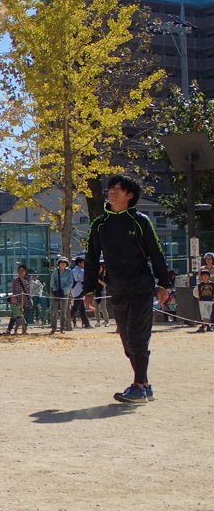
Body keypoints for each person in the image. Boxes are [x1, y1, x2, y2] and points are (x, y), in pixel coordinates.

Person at [83, 173, 172, 403]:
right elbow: (91, 259)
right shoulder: (99, 224)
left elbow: (156, 253)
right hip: (116, 289)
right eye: (111, 187)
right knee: (127, 342)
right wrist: (89, 290)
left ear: (130, 195)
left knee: (137, 338)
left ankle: (139, 387)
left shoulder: (140, 221)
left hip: (141, 287)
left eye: (118, 189)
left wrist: (164, 284)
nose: (112, 191)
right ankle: (145, 385)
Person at [6, 264, 32, 335]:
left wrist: (22, 279)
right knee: (14, 316)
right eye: (20, 271)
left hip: (25, 300)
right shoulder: (15, 280)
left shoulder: (28, 279)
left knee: (25, 316)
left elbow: (27, 286)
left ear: (25, 271)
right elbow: (13, 290)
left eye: (23, 271)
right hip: (17, 301)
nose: (21, 272)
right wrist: (14, 300)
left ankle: (24, 330)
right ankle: (9, 329)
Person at [49, 256, 72, 334]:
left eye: (64, 262)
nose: (62, 263)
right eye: (61, 262)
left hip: (65, 293)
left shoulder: (69, 272)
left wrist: (64, 289)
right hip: (56, 293)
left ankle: (62, 328)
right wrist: (57, 289)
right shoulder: (55, 272)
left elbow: (71, 282)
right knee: (54, 311)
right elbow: (52, 283)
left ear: (66, 264)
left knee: (63, 311)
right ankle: (53, 328)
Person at [70, 256, 92, 329]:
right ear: (79, 263)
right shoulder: (80, 271)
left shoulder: (73, 270)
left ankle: (86, 323)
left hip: (75, 290)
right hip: (78, 290)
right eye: (83, 262)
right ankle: (66, 320)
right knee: (75, 308)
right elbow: (83, 281)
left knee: (82, 308)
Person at [94, 261, 111, 328]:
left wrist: (98, 280)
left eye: (101, 267)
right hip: (95, 293)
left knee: (103, 308)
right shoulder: (94, 275)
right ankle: (98, 321)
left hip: (102, 292)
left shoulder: (104, 276)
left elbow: (105, 284)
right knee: (96, 308)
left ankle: (107, 321)